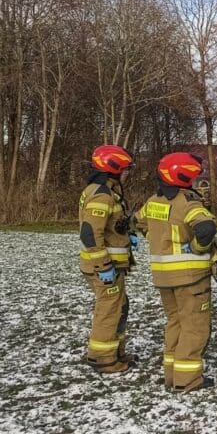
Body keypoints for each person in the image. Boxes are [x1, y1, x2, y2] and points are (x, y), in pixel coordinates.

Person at [133, 152, 217, 393]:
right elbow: (206, 228)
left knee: (175, 322)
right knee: (194, 326)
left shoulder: (153, 201)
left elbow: (137, 221)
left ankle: (171, 374)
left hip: (163, 276)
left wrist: (155, 238)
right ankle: (188, 379)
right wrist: (196, 247)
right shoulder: (187, 203)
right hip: (190, 277)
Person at [79, 144, 138, 373]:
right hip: (103, 267)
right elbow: (90, 233)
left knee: (120, 306)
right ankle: (102, 359)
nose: (127, 173)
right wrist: (103, 265)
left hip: (110, 265)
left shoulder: (105, 191)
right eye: (125, 169)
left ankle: (116, 352)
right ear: (113, 168)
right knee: (110, 309)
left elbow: (109, 225)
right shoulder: (102, 195)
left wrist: (127, 233)